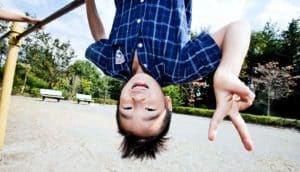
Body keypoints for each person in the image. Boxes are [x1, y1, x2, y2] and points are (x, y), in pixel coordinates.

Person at [85, 0, 255, 160]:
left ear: (119, 101)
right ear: (167, 104)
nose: (138, 99)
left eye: (128, 108)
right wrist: (228, 71)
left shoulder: (111, 64)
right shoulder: (180, 68)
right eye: (150, 109)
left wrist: (89, 2)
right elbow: (238, 27)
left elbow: (99, 38)